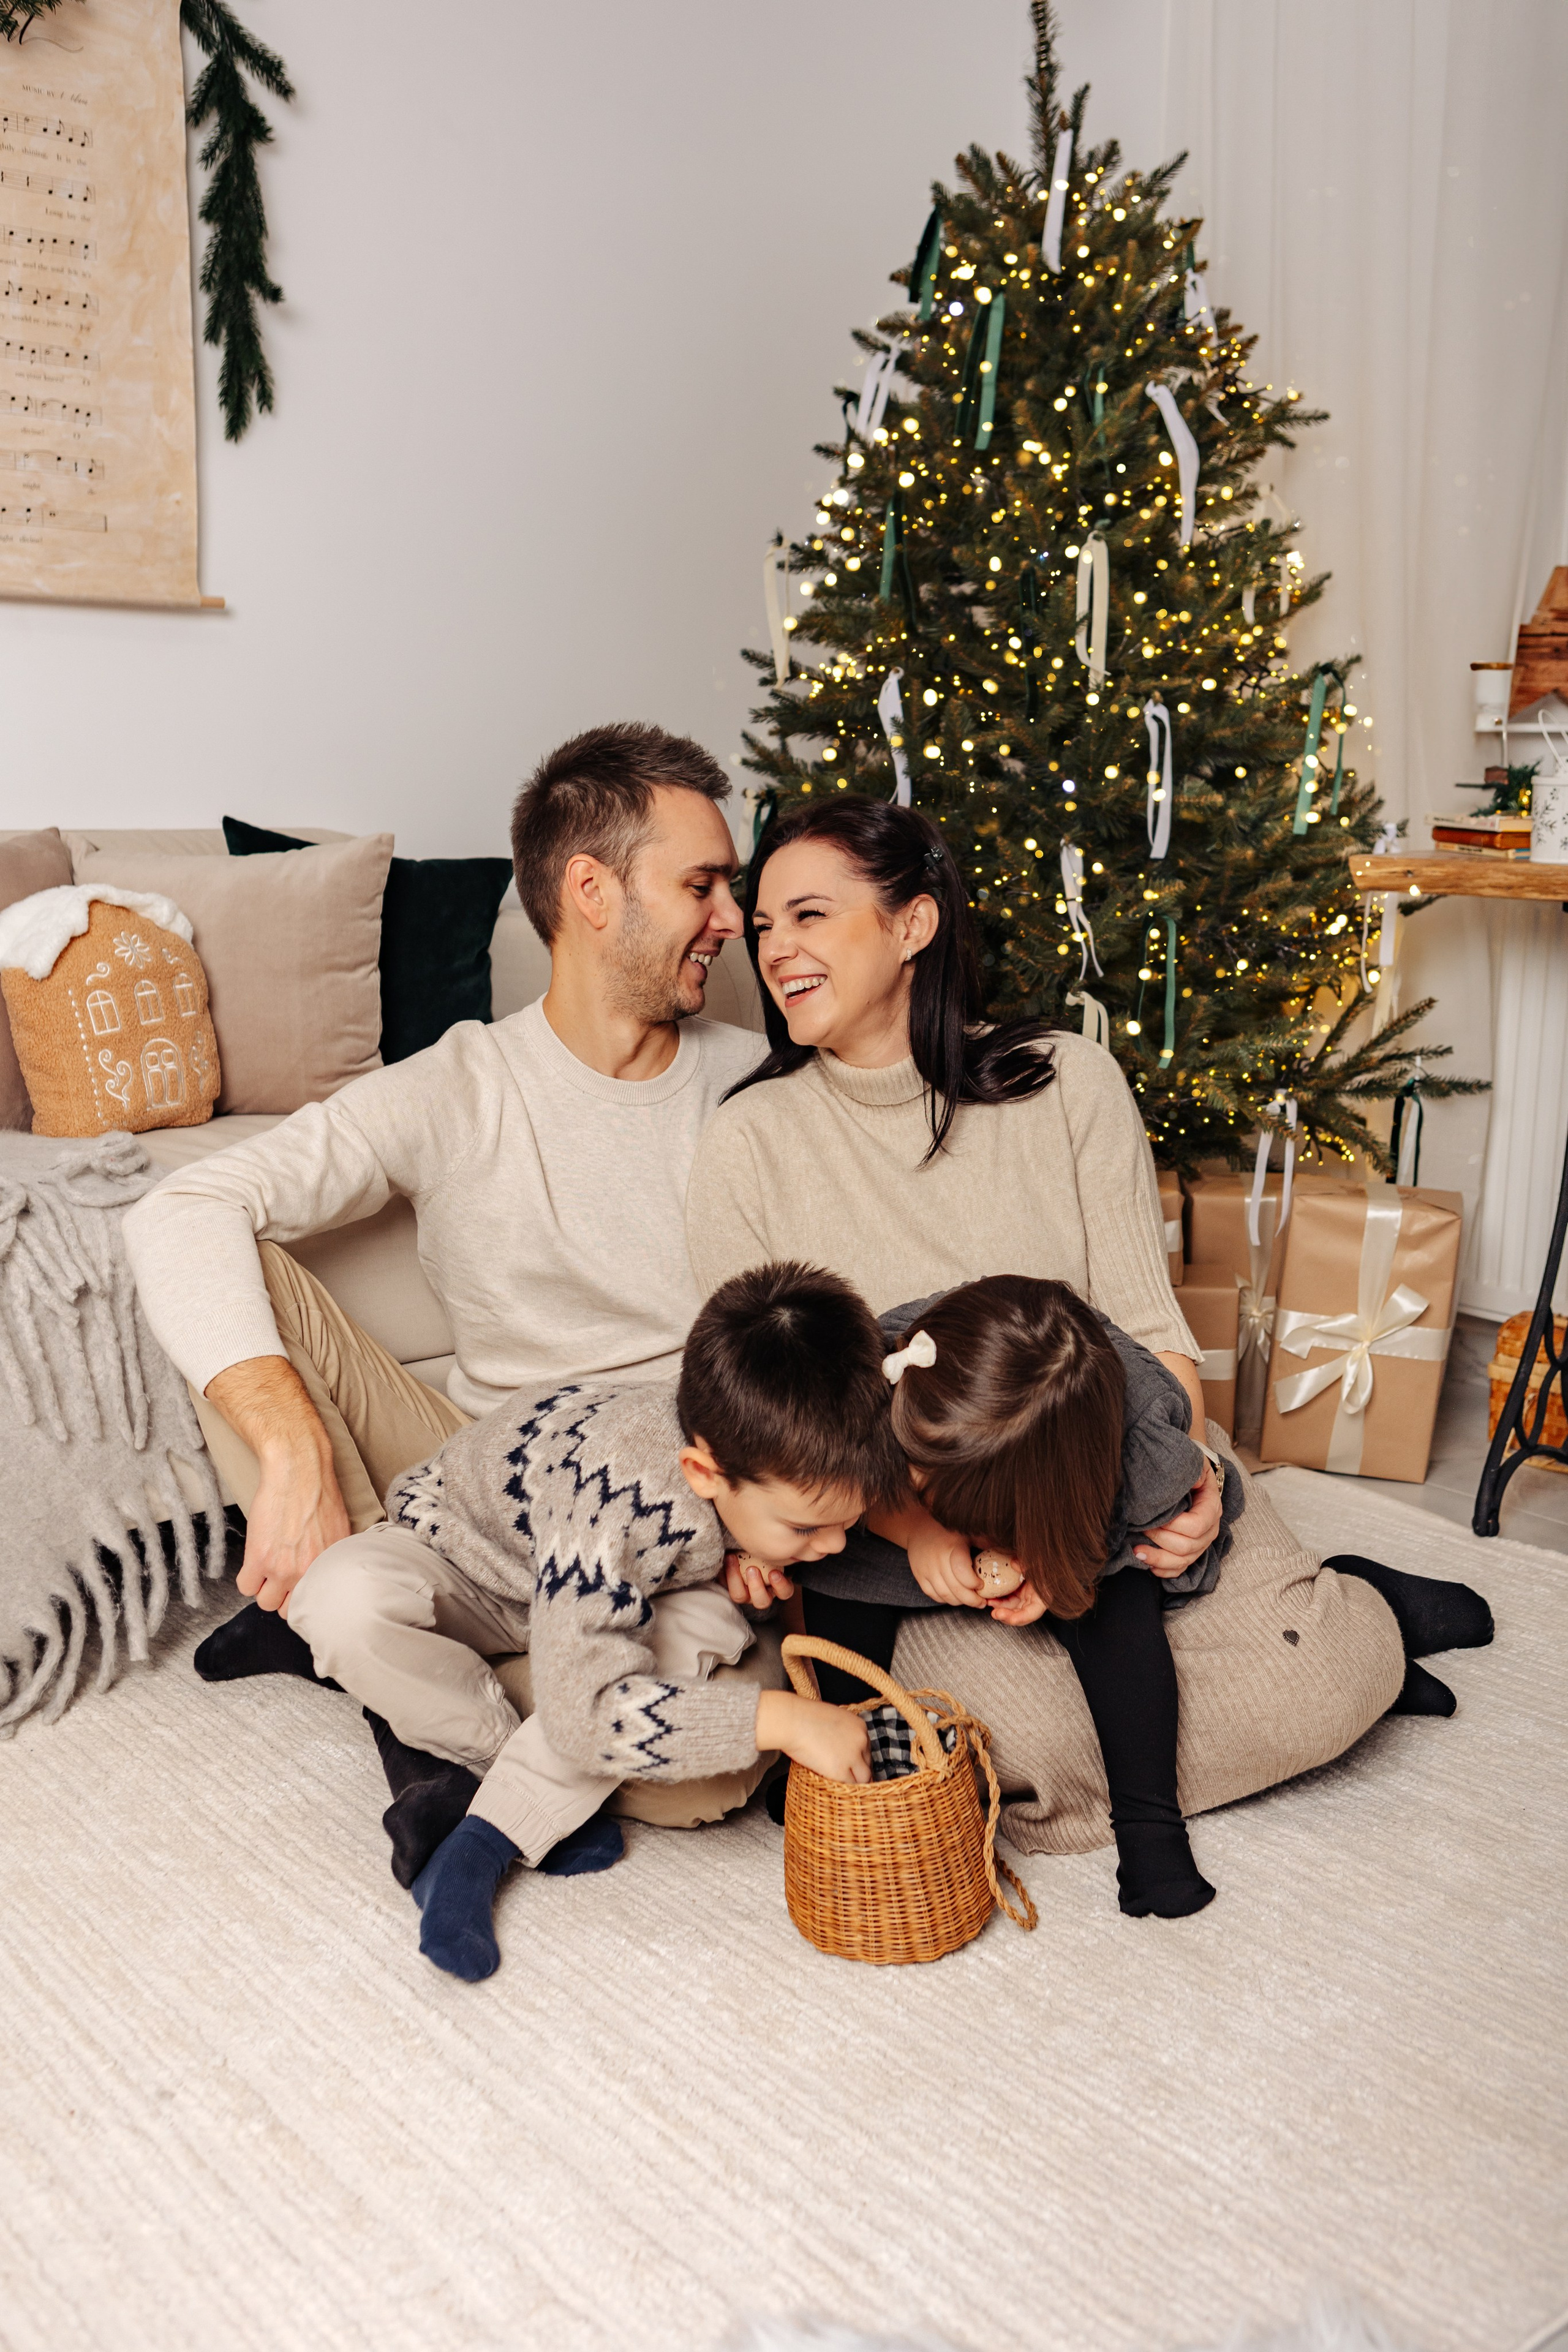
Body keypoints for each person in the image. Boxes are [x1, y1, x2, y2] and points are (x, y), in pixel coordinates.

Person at [686, 799, 1493, 1877]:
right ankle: (1329, 1627)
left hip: (1102, 1476)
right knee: (1028, 1751)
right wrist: (924, 1537)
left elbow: (1153, 1334)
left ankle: (1363, 1613)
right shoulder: (749, 1143)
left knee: (1313, 1685)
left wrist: (1191, 1482)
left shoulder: (1066, 1082)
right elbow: (773, 1422)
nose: (772, 946)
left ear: (914, 924)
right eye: (765, 923)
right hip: (899, 1534)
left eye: (808, 915)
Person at [124, 723, 772, 1853]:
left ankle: (425, 1699)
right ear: (591, 890)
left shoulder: (755, 1088)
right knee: (231, 1274)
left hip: (666, 1511)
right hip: (479, 1482)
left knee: (702, 1787)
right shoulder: (456, 1081)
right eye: (703, 883)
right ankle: (452, 1679)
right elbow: (179, 1210)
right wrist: (290, 1451)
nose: (734, 918)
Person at [287, 1262, 905, 1982]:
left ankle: (512, 1793)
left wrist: (749, 1548)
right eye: (806, 1529)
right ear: (704, 1474)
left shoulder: (770, 1448)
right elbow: (586, 1719)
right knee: (336, 1601)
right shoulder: (618, 1499)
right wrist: (790, 1720)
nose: (833, 1547)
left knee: (706, 1640)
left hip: (628, 1590)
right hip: (472, 1565)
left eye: (846, 1522)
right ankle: (488, 1805)